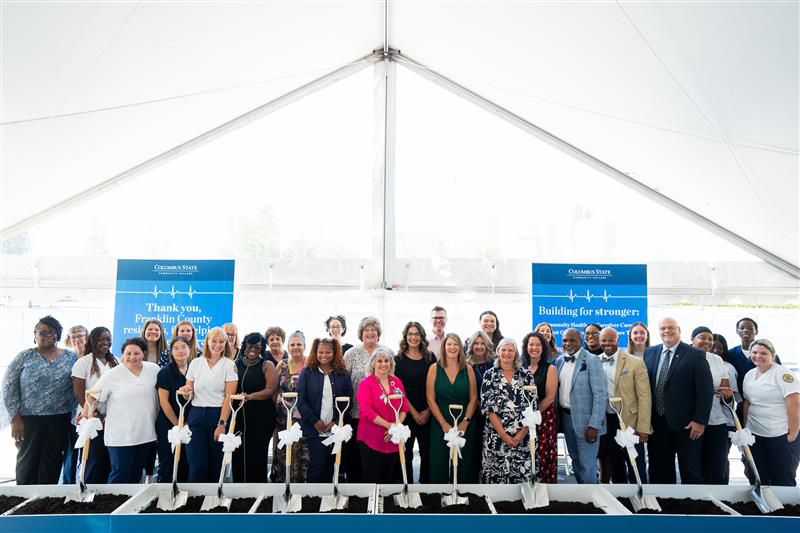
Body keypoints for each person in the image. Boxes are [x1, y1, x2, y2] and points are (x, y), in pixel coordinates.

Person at [3, 316, 77, 484]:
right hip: (28, 420)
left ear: (58, 335)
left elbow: (78, 385)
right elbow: (8, 388)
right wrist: (15, 419)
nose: (47, 336)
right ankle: (23, 498)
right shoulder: (24, 357)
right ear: (35, 335)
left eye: (52, 332)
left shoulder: (71, 357)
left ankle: (46, 498)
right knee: (27, 462)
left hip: (60, 419)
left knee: (52, 461)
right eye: (42, 333)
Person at [78, 338, 159, 483]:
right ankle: (113, 499)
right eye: (128, 353)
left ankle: (131, 498)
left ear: (143, 354)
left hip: (146, 433)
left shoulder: (153, 369)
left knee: (136, 473)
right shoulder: (112, 375)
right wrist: (85, 416)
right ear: (123, 355)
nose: (132, 357)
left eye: (136, 353)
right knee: (120, 473)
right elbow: (92, 397)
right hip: (121, 436)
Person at [644, 317, 713, 484]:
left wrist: (700, 421)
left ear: (679, 330)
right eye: (663, 328)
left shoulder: (695, 355)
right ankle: (665, 500)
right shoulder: (650, 352)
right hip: (657, 423)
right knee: (661, 469)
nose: (667, 331)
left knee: (689, 469)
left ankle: (692, 501)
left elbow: (705, 391)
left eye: (671, 328)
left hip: (687, 425)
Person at [181, 327, 238, 482]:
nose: (217, 345)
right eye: (214, 341)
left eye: (221, 342)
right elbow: (188, 395)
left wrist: (221, 424)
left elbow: (229, 397)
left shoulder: (229, 365)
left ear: (226, 344)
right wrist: (186, 392)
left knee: (216, 466)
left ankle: (213, 497)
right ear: (207, 341)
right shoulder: (195, 363)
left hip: (218, 415)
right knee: (197, 466)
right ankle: (195, 497)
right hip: (196, 415)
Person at [343, 316, 395, 483]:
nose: (370, 333)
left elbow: (394, 382)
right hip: (356, 413)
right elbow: (344, 381)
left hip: (381, 417)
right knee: (355, 457)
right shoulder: (351, 353)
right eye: (367, 330)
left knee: (376, 459)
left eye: (373, 330)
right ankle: (355, 492)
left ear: (378, 333)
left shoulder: (388, 352)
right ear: (361, 333)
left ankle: (377, 490)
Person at [597, 327, 651, 484]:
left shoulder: (635, 362)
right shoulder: (595, 362)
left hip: (630, 421)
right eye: (604, 340)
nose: (607, 343)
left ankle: (640, 494)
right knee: (615, 463)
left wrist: (643, 428)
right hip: (607, 421)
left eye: (611, 340)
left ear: (618, 341)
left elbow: (645, 397)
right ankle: (620, 496)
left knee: (636, 463)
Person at [742, 339, 799, 486]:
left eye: (763, 353)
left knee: (782, 479)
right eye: (754, 352)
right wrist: (745, 429)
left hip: (780, 435)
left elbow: (794, 403)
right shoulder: (749, 374)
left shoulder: (783, 374)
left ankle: (783, 503)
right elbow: (747, 403)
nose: (758, 356)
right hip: (755, 435)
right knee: (757, 477)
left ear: (772, 355)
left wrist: (793, 433)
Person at [480, 338, 536, 483]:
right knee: (496, 477)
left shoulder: (526, 375)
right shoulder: (489, 375)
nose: (507, 353)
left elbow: (532, 407)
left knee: (521, 478)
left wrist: (521, 434)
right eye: (503, 350)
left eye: (510, 350)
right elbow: (489, 409)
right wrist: (504, 435)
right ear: (498, 352)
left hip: (522, 436)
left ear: (515, 353)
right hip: (496, 436)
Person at [297, 338, 354, 483]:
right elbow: (301, 400)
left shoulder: (343, 374)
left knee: (330, 466)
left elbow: (349, 401)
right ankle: (312, 495)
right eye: (320, 352)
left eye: (328, 352)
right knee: (318, 465)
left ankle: (327, 496)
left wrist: (337, 422)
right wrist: (315, 421)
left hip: (335, 429)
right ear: (315, 352)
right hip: (315, 429)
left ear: (335, 353)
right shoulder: (307, 372)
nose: (324, 355)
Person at [556, 328, 606, 484]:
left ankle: (590, 496)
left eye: (572, 340)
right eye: (565, 340)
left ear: (581, 341)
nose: (568, 343)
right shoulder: (560, 361)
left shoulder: (592, 360)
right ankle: (581, 493)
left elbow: (600, 395)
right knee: (575, 461)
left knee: (587, 464)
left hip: (587, 423)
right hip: (566, 419)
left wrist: (594, 425)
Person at [427, 333, 478, 484]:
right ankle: (438, 495)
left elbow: (474, 398)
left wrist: (465, 422)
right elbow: (430, 399)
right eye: (449, 344)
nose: (452, 347)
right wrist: (443, 423)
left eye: (456, 344)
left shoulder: (468, 369)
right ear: (444, 347)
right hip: (440, 420)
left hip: (464, 421)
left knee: (464, 463)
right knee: (439, 462)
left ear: (460, 348)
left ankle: (462, 494)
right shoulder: (434, 369)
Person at [71, 326, 118, 483]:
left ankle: (105, 494)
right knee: (93, 459)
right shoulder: (83, 363)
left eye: (108, 339)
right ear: (92, 340)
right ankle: (89, 491)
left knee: (108, 460)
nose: (105, 342)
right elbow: (79, 394)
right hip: (91, 418)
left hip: (111, 419)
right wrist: (95, 413)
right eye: (101, 339)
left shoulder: (116, 361)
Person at [690, 326, 735, 485]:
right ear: (692, 339)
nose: (707, 341)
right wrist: (709, 390)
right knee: (695, 467)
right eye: (702, 337)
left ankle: (717, 499)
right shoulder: (684, 357)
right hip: (693, 421)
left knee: (717, 466)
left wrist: (726, 393)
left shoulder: (717, 359)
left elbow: (725, 387)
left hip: (716, 420)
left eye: (709, 338)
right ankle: (696, 499)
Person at [356, 348, 408, 483]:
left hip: (392, 438)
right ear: (373, 363)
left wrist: (396, 427)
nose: (383, 364)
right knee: (372, 478)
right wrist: (389, 426)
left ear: (391, 363)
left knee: (388, 479)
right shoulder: (366, 384)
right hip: (371, 438)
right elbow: (366, 411)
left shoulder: (397, 382)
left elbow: (404, 407)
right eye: (379, 361)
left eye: (386, 361)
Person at [232, 332, 278, 483]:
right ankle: (239, 490)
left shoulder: (267, 365)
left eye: (257, 347)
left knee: (257, 455)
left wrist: (250, 396)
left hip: (261, 417)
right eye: (250, 346)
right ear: (244, 346)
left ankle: (258, 491)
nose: (253, 350)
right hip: (239, 417)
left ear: (262, 348)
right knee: (238, 454)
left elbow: (271, 390)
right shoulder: (235, 364)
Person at [394, 322, 435, 483]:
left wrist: (429, 410)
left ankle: (426, 490)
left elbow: (435, 386)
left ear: (422, 336)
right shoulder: (398, 360)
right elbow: (398, 391)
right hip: (406, 414)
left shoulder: (430, 358)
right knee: (406, 453)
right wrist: (413, 412)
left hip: (428, 412)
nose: (413, 337)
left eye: (417, 334)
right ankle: (407, 486)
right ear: (405, 337)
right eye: (410, 334)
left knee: (427, 454)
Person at [271, 330, 310, 482]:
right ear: (287, 347)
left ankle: (300, 484)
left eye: (299, 344)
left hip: (303, 418)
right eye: (292, 344)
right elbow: (274, 389)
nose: (295, 347)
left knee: (301, 452)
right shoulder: (282, 364)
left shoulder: (310, 364)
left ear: (304, 346)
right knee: (283, 450)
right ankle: (282, 483)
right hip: (283, 418)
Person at [521, 331, 559, 483]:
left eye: (538, 345)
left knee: (543, 457)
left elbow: (550, 397)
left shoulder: (550, 369)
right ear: (526, 347)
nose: (534, 348)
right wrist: (526, 418)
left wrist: (533, 415)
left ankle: (545, 491)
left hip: (544, 419)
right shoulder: (520, 368)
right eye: (531, 344)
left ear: (543, 348)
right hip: (523, 419)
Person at [155, 336, 192, 484]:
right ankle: (165, 492)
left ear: (190, 349)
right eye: (176, 348)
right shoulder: (165, 373)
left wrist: (186, 425)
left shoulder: (194, 371)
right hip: (169, 424)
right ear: (171, 352)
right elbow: (164, 402)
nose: (180, 351)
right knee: (168, 462)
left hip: (189, 424)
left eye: (184, 347)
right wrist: (178, 424)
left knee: (186, 462)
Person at [465, 330, 495, 482]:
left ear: (487, 345)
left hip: (492, 415)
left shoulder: (495, 363)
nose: (479, 346)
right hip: (473, 413)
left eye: (482, 343)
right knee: (473, 450)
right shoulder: (465, 365)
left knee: (489, 450)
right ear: (471, 345)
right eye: (476, 343)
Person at [62, 324, 88, 484]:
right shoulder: (66, 358)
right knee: (70, 452)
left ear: (87, 337)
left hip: (88, 411)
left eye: (80, 335)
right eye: (73, 336)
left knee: (87, 453)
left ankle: (85, 483)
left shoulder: (93, 357)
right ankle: (68, 485)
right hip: (69, 411)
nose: (77, 339)